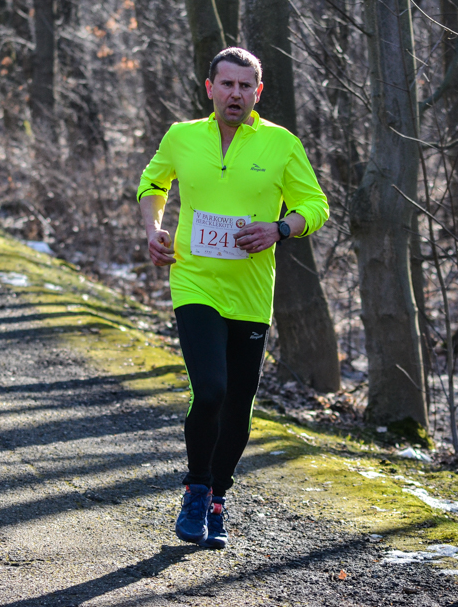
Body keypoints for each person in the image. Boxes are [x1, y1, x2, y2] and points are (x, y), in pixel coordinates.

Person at [137, 47, 329, 549]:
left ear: (258, 92)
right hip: (194, 283)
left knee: (239, 410)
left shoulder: (280, 144)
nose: (236, 94)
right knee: (212, 391)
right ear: (210, 88)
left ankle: (219, 498)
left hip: (250, 294)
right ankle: (196, 488)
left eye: (246, 86)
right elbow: (153, 181)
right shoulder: (182, 136)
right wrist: (154, 229)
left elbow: (316, 205)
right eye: (227, 84)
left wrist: (279, 228)